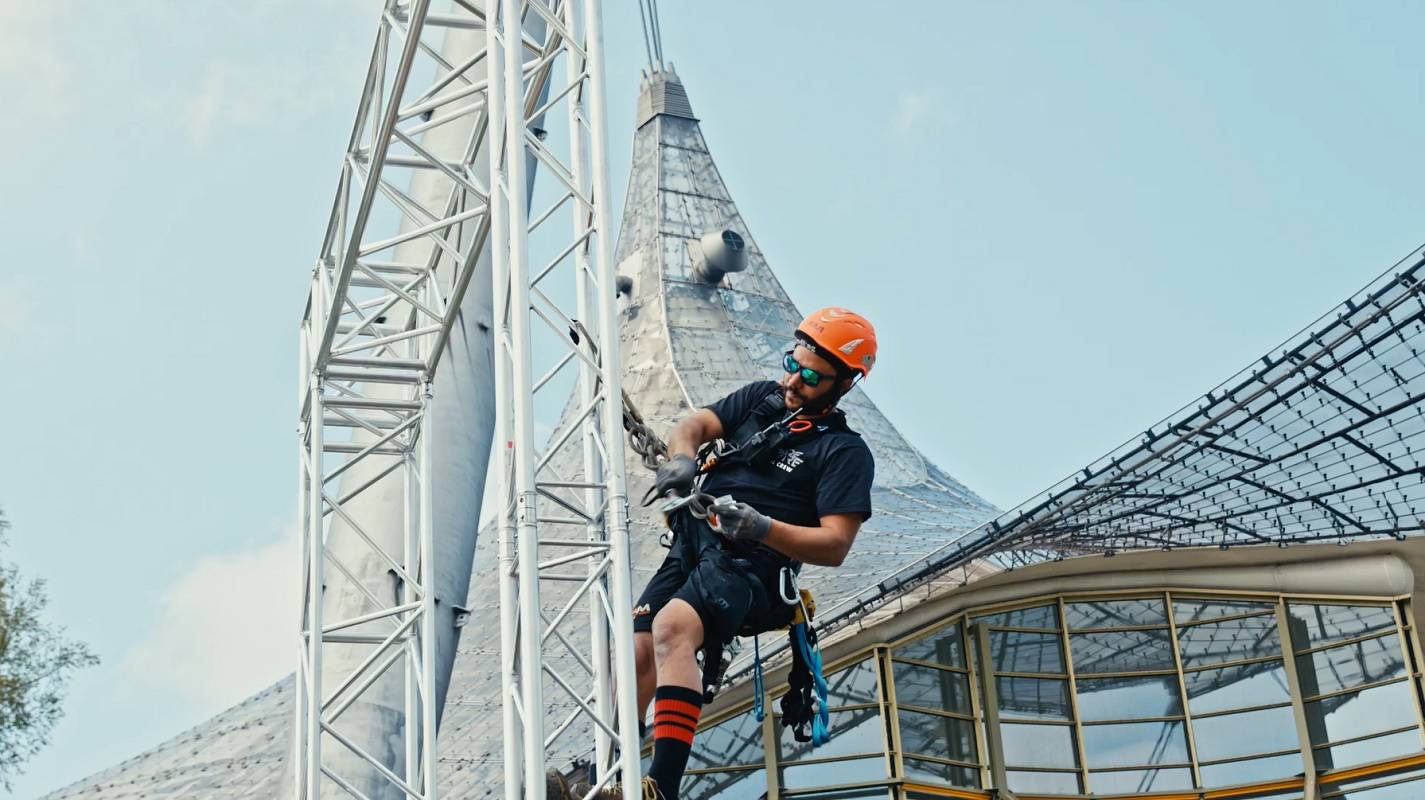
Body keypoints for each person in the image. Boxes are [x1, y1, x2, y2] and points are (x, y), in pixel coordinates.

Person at [562, 308, 878, 800]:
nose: (795, 380)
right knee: (635, 651)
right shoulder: (760, 399)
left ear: (844, 384)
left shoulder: (842, 452)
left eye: (813, 376)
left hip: (752, 567)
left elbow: (835, 544)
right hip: (694, 543)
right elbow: (696, 425)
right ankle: (609, 782)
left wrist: (761, 527)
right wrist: (684, 458)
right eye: (793, 363)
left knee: (671, 630)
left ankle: (659, 789)